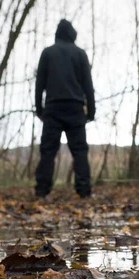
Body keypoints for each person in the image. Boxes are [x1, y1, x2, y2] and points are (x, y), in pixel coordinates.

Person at [34, 19, 95, 198]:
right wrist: (91, 111)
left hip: (53, 109)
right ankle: (84, 190)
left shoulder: (47, 53)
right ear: (72, 34)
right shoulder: (80, 54)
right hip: (75, 109)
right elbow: (88, 86)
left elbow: (39, 85)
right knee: (80, 151)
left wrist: (40, 109)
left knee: (48, 151)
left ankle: (41, 190)